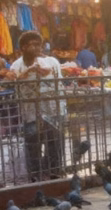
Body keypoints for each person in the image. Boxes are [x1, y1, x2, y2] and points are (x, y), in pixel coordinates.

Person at [5, 31, 66, 181]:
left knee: (54, 142)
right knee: (32, 145)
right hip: (30, 111)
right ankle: (35, 175)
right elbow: (13, 81)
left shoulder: (52, 62)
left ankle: (55, 172)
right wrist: (22, 74)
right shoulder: (17, 65)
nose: (37, 48)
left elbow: (57, 82)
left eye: (39, 44)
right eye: (33, 45)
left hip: (52, 109)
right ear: (24, 47)